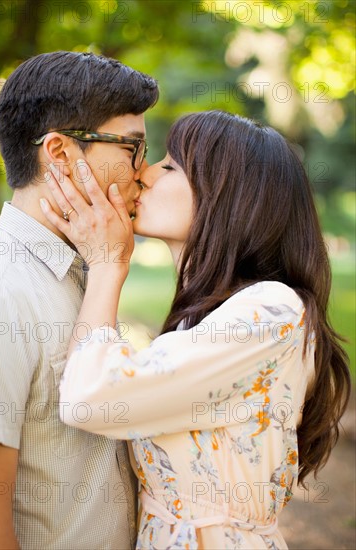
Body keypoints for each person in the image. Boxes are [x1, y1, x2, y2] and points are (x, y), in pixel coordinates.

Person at [40, 110, 350, 549]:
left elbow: (91, 398)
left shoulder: (270, 313)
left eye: (168, 166)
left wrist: (107, 263)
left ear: (226, 197)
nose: (142, 173)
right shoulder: (202, 319)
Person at [0, 50, 158, 549]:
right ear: (60, 153)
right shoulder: (3, 291)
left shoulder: (83, 268)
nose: (143, 173)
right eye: (131, 149)